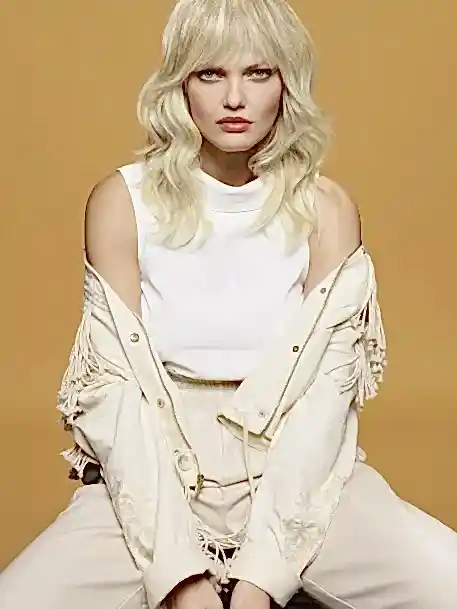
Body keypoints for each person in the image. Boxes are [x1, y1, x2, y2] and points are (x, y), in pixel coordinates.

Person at [1, 0, 457, 608]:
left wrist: (263, 577)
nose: (234, 98)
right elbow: (115, 396)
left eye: (258, 73)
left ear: (286, 83)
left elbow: (324, 405)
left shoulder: (327, 210)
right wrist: (179, 576)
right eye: (210, 74)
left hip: (299, 479)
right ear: (180, 84)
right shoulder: (122, 203)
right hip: (155, 478)